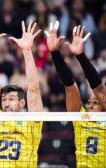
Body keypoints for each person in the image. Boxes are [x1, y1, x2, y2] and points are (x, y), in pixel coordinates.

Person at [0, 16, 43, 167]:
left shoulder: (32, 120)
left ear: (22, 102)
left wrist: (27, 51)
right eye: (4, 99)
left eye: (11, 99)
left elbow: (34, 87)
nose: (6, 103)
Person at [46, 21, 106, 167]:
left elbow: (98, 87)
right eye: (89, 102)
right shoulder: (80, 118)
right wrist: (54, 53)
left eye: (95, 102)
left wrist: (80, 56)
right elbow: (69, 85)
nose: (90, 105)